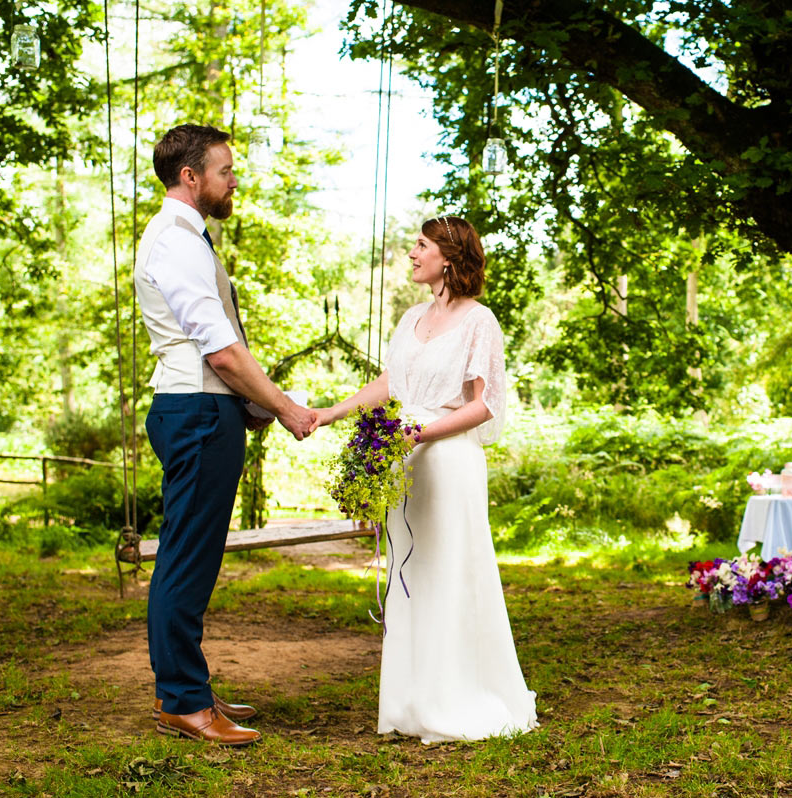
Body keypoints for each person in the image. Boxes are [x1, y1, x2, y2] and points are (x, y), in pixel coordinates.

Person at [313, 215, 537, 743]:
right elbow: (392, 382)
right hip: (406, 461)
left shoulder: (480, 321)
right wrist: (330, 412)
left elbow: (483, 405)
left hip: (449, 459)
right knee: (409, 576)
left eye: (421, 245)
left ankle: (458, 696)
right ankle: (410, 703)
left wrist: (424, 433)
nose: (412, 253)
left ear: (449, 257)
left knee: (449, 573)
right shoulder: (411, 317)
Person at [134, 124, 316, 746]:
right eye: (226, 170)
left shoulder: (184, 237)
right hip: (199, 413)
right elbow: (223, 353)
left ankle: (187, 688)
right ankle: (182, 702)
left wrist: (250, 403)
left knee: (191, 556)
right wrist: (284, 407)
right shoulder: (178, 242)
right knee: (185, 561)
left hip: (203, 411)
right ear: (192, 177)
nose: (234, 180)